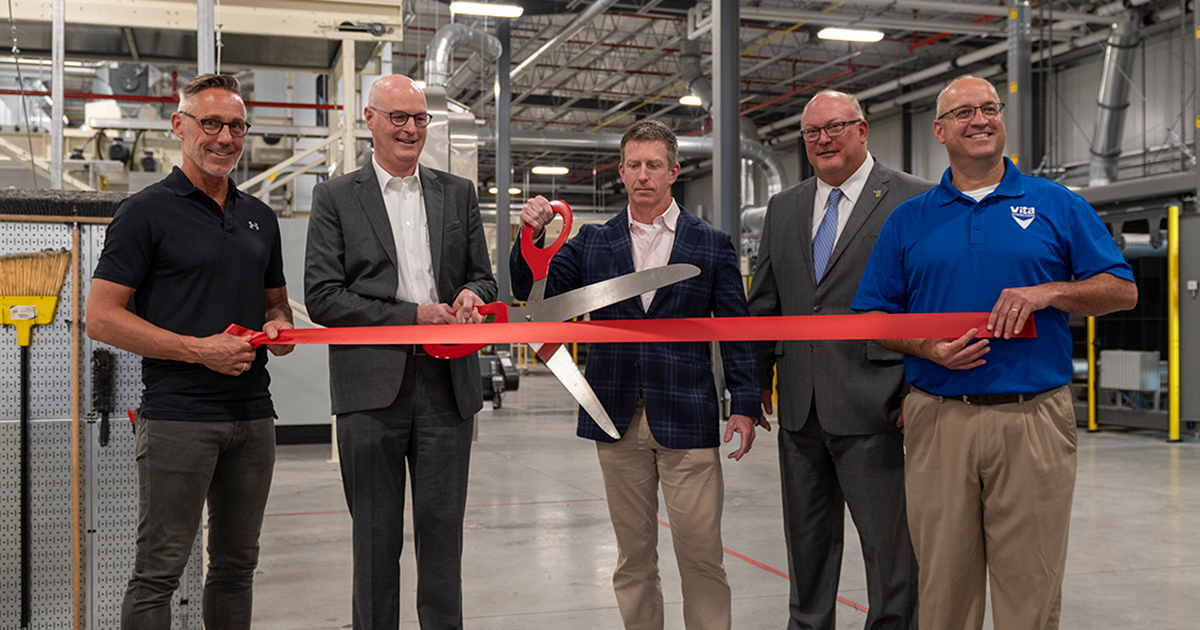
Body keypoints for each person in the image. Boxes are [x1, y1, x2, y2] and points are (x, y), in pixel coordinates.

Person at [852, 75, 1138, 630]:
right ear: (939, 130)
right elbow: (870, 317)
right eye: (963, 113)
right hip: (939, 420)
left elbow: (1121, 289)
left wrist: (1049, 292)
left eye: (989, 108)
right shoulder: (909, 219)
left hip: (1033, 419)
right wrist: (926, 348)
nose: (980, 119)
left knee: (1030, 587)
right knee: (944, 590)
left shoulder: (1057, 204)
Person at [510, 119, 760, 630]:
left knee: (701, 556)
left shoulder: (710, 243)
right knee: (633, 559)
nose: (643, 175)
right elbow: (533, 296)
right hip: (614, 415)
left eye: (653, 165)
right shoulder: (591, 244)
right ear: (620, 172)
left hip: (687, 415)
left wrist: (746, 402)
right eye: (633, 165)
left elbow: (736, 327)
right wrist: (530, 236)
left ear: (674, 170)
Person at [87, 73, 294, 629]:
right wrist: (198, 351)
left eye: (236, 126)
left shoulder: (261, 218)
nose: (224, 137)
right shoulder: (145, 212)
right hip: (179, 416)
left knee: (235, 567)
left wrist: (281, 327)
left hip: (253, 416)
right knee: (159, 572)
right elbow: (100, 318)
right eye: (211, 123)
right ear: (179, 126)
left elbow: (278, 305)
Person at [304, 74, 496, 630]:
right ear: (370, 120)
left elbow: (484, 280)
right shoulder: (336, 197)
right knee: (374, 544)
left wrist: (468, 296)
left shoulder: (457, 193)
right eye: (398, 117)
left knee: (442, 541)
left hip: (447, 388)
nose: (410, 128)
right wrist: (412, 315)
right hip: (370, 392)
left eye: (419, 118)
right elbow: (322, 296)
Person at [748, 90, 928, 630]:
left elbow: (925, 301)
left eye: (836, 127)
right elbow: (765, 302)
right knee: (806, 548)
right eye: (812, 133)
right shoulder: (785, 206)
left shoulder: (911, 199)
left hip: (878, 405)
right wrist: (753, 381)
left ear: (863, 129)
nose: (824, 140)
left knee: (890, 552)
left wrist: (916, 392)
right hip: (799, 409)